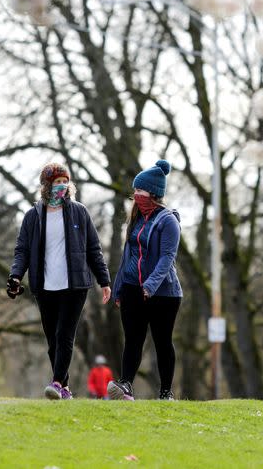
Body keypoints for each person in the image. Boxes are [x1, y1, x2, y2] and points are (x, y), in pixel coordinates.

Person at [8, 163, 112, 400]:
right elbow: (22, 250)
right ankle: (64, 387)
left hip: (74, 285)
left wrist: (104, 280)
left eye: (65, 181)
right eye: (57, 182)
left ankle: (56, 383)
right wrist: (15, 275)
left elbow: (93, 249)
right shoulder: (33, 216)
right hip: (45, 286)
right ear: (46, 186)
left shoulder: (79, 212)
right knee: (52, 339)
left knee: (65, 334)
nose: (62, 186)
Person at [107, 160, 182, 401]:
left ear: (154, 193)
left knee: (162, 342)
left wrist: (150, 285)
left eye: (141, 191)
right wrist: (119, 289)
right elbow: (128, 257)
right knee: (133, 340)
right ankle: (126, 385)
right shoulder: (136, 220)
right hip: (132, 289)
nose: (136, 195)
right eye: (135, 191)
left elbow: (167, 258)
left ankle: (166, 392)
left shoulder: (168, 221)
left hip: (164, 293)